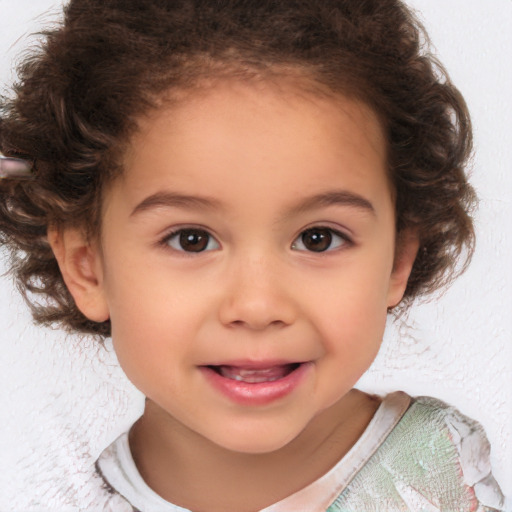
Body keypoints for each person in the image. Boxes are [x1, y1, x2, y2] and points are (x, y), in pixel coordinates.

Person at [0, 0, 506, 510]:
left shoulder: (439, 468)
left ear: (397, 260)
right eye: (191, 239)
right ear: (87, 265)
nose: (259, 306)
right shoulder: (61, 496)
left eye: (318, 238)